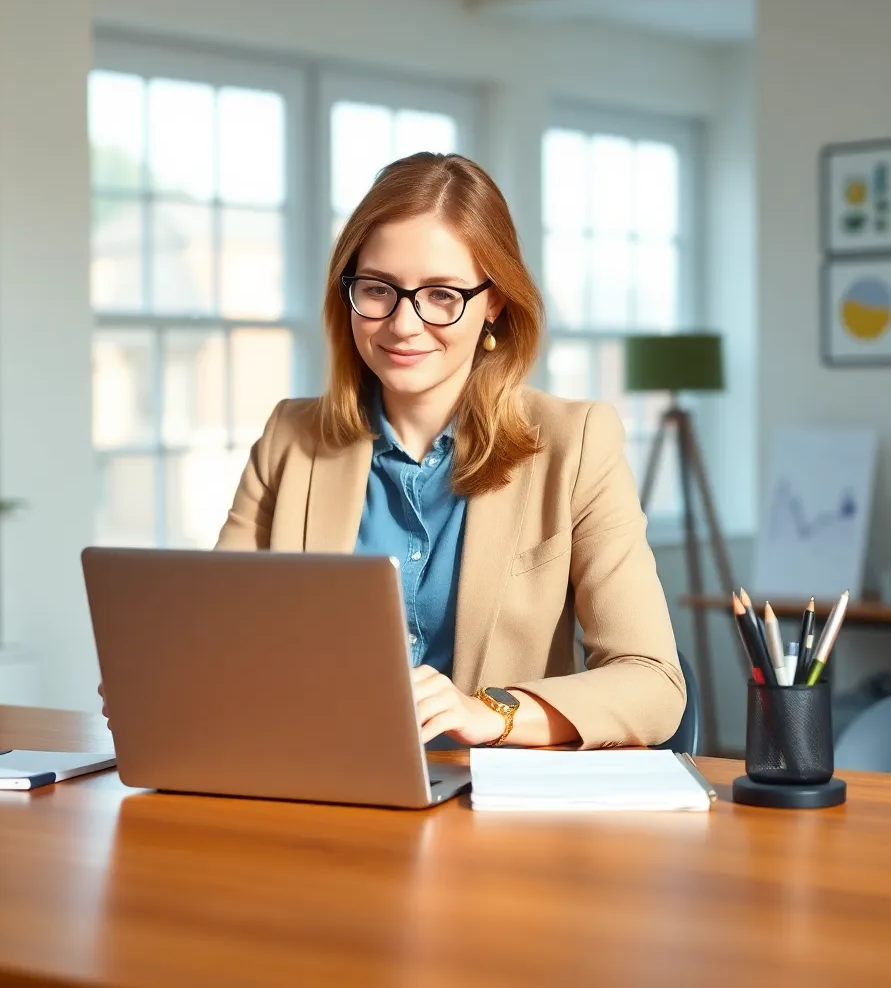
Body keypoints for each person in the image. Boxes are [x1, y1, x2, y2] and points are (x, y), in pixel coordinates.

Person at [102, 152, 684, 749]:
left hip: (490, 813)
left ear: (496, 302)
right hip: (320, 789)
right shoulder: (290, 438)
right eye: (378, 289)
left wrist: (493, 713)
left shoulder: (576, 443)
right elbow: (219, 640)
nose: (404, 325)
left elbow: (653, 683)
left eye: (441, 295)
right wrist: (160, 676)